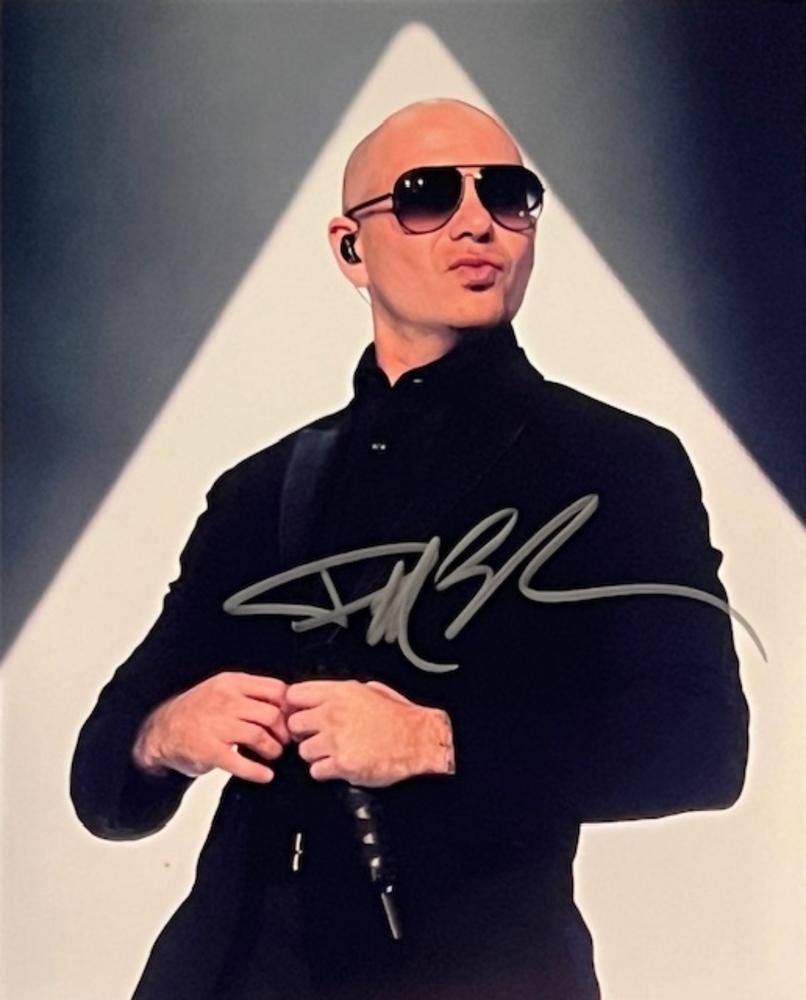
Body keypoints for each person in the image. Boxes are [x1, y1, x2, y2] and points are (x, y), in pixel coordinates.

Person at [70, 99, 749, 999]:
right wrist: (166, 735)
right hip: (223, 970)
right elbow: (100, 777)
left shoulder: (616, 464)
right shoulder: (261, 488)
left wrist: (436, 740)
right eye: (428, 195)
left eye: (507, 194)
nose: (478, 222)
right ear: (350, 248)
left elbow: (701, 747)